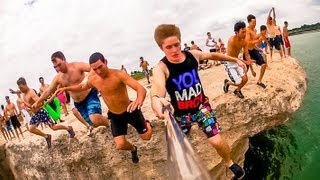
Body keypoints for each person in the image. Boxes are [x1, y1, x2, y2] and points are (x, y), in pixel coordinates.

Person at [151, 24, 246, 178]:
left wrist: (235, 59)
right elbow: (157, 88)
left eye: (177, 45)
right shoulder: (161, 68)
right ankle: (186, 126)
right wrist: (156, 100)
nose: (174, 50)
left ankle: (229, 162)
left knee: (216, 141)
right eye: (169, 47)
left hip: (201, 107)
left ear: (180, 41)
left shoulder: (191, 55)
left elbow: (214, 56)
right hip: (180, 114)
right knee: (181, 140)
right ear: (161, 48)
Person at [55, 52, 152, 163]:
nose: (99, 71)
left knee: (147, 137)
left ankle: (146, 123)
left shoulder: (119, 74)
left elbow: (140, 89)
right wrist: (66, 88)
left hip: (130, 110)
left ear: (105, 61)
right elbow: (81, 87)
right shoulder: (93, 79)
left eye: (100, 67)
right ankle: (133, 149)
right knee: (120, 144)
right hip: (115, 115)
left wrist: (139, 100)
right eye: (95, 69)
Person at [33, 51, 109, 133]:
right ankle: (108, 124)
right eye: (55, 67)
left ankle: (110, 124)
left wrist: (86, 80)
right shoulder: (59, 77)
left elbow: (92, 69)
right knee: (93, 123)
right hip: (78, 103)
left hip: (89, 95)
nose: (58, 68)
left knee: (94, 119)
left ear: (64, 59)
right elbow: (48, 91)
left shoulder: (77, 66)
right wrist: (37, 102)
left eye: (59, 65)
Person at [17, 77, 75, 148]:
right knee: (31, 129)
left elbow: (40, 103)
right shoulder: (23, 93)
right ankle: (47, 136)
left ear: (25, 84)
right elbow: (20, 93)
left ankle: (68, 128)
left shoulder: (31, 92)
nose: (20, 89)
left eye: (21, 87)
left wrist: (26, 103)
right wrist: (15, 92)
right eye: (19, 88)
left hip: (41, 112)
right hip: (36, 114)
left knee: (53, 127)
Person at [223, 21, 255, 99]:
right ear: (236, 32)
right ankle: (227, 83)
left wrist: (249, 63)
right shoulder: (232, 41)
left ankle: (237, 90)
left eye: (245, 32)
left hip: (237, 61)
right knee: (238, 82)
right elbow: (232, 57)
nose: (245, 34)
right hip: (229, 62)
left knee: (245, 79)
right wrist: (244, 62)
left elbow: (247, 54)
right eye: (242, 32)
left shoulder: (244, 41)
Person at [245, 14, 269, 88]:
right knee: (244, 73)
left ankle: (259, 81)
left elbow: (253, 42)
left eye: (255, 23)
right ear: (249, 22)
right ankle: (229, 82)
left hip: (253, 50)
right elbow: (248, 42)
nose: (255, 24)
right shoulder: (247, 31)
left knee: (264, 64)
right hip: (247, 52)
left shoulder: (254, 30)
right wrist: (257, 40)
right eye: (253, 23)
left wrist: (258, 48)